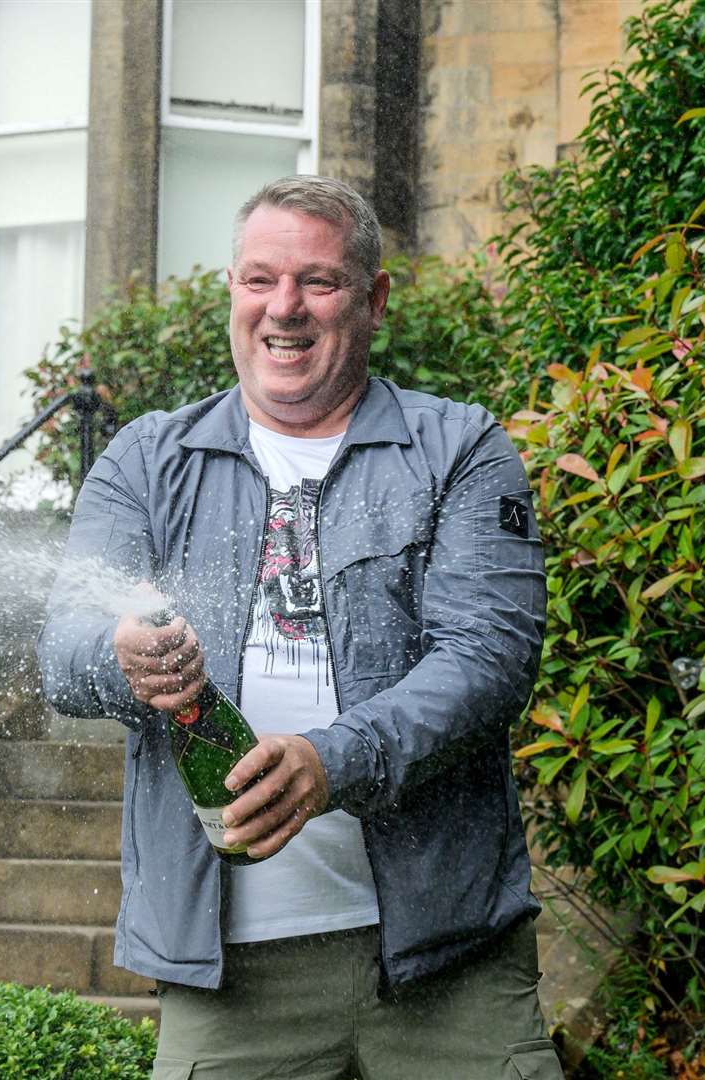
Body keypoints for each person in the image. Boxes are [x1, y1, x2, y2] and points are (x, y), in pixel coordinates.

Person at [37, 175, 558, 1080]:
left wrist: (333, 761)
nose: (285, 308)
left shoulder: (460, 450)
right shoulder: (147, 463)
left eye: (318, 282)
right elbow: (63, 653)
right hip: (233, 976)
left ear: (373, 299)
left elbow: (491, 656)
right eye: (259, 280)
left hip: (448, 961)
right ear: (232, 293)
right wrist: (119, 660)